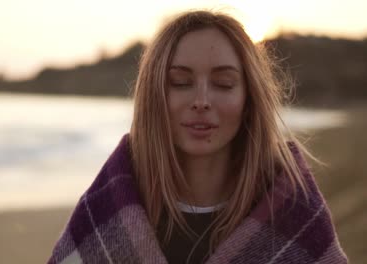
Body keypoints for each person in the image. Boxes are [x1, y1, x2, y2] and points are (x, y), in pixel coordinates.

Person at [47, 10, 347, 264]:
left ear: (249, 99)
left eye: (223, 83)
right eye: (180, 82)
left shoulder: (294, 210)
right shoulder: (108, 208)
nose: (201, 100)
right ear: (154, 97)